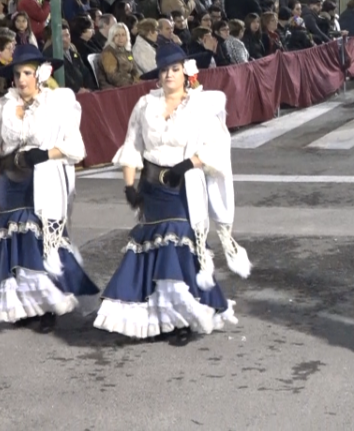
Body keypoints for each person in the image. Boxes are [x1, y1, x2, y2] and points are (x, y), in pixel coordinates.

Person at [94, 45, 248, 345]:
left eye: (174, 70)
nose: (169, 75)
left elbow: (217, 147)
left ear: (184, 72)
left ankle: (182, 318)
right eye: (164, 70)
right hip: (152, 188)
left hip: (183, 188)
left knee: (176, 247)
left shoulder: (200, 107)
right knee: (152, 247)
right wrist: (130, 186)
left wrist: (189, 163)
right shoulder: (144, 105)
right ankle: (162, 318)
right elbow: (132, 147)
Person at [0, 45, 99, 332]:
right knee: (15, 244)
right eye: (17, 73)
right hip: (10, 183)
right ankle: (25, 306)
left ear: (39, 74)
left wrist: (44, 154)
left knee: (39, 243)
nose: (22, 79)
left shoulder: (58, 103)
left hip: (44, 182)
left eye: (27, 72)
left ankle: (47, 306)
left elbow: (76, 148)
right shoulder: (4, 105)